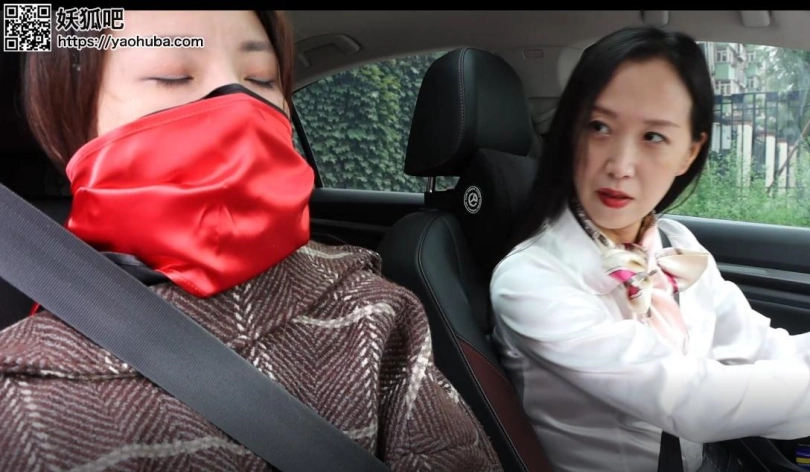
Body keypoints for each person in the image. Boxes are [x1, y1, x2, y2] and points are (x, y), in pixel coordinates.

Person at [0, 10, 503, 472]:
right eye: (172, 75)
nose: (236, 102)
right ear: (71, 114)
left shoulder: (376, 307)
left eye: (261, 79)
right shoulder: (18, 394)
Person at [489, 25, 810, 472]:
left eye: (653, 137)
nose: (620, 166)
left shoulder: (677, 244)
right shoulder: (530, 280)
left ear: (689, 152)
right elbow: (692, 400)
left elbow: (758, 344)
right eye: (599, 127)